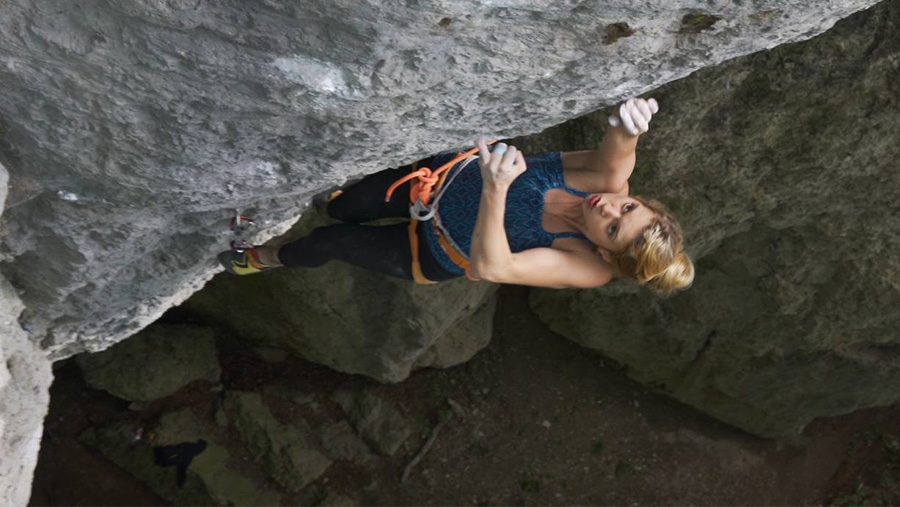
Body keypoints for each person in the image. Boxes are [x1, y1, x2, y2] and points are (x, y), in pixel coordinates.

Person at [219, 97, 694, 295]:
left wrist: (496, 189)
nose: (609, 208)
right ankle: (315, 202)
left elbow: (491, 267)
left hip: (431, 251)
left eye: (613, 228)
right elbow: (619, 154)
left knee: (331, 242)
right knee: (344, 206)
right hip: (431, 183)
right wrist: (629, 123)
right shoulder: (606, 186)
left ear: (607, 253)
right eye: (629, 207)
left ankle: (263, 257)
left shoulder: (586, 267)